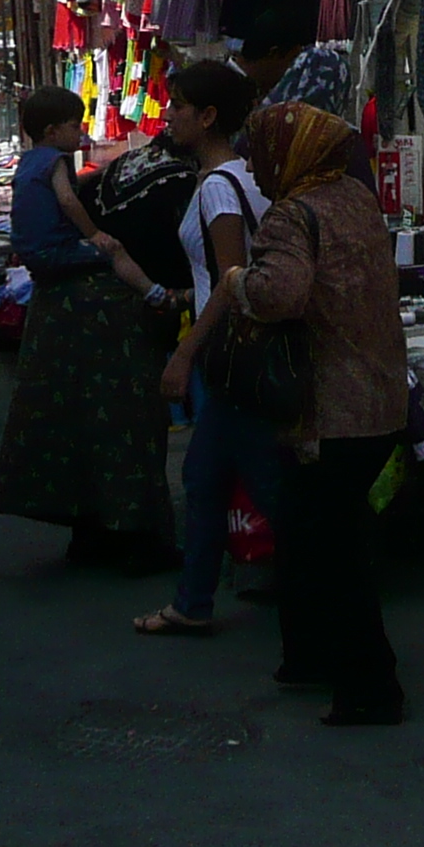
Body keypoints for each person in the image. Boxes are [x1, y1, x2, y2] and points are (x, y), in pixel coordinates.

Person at [231, 101, 411, 725]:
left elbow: (276, 294)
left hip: (328, 411)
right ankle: (308, 658)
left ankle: (369, 687)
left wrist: (235, 283)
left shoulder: (291, 215)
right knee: (314, 536)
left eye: (256, 155)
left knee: (332, 549)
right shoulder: (357, 200)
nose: (251, 169)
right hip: (380, 399)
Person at [0, 88, 186, 573]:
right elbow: (77, 215)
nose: (83, 133)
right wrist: (100, 242)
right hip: (101, 307)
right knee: (126, 423)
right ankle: (132, 531)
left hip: (56, 307)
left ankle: (89, 528)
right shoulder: (164, 179)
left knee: (70, 420)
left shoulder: (37, 166)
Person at [138, 60, 275, 638]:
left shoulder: (220, 187)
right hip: (234, 354)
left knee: (262, 482)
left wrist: (185, 352)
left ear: (209, 116)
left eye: (179, 107)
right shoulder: (242, 177)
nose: (169, 115)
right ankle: (193, 600)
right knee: (206, 476)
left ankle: (326, 585)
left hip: (227, 354)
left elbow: (231, 277)